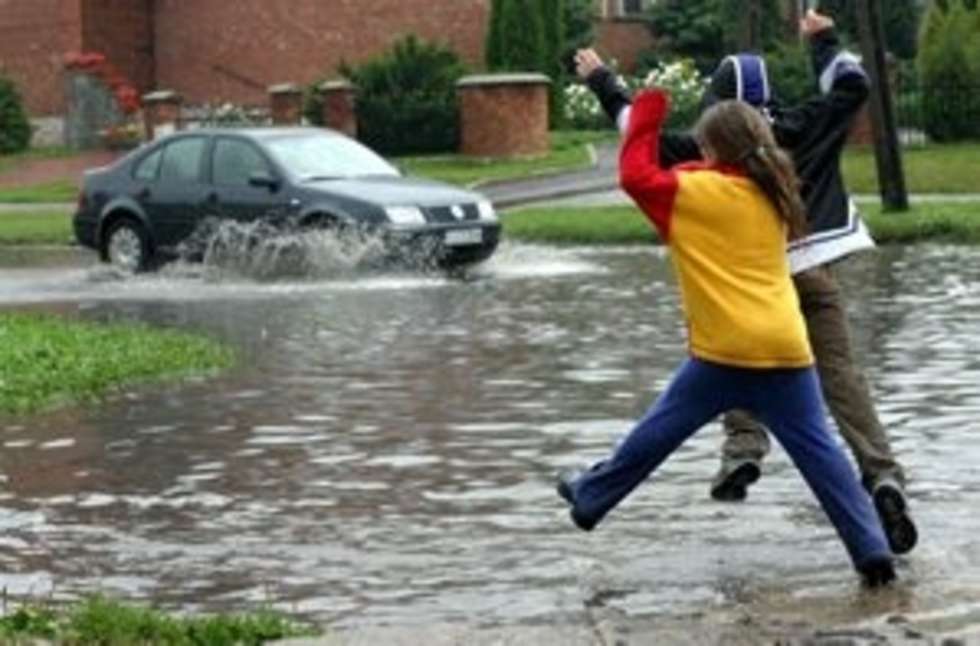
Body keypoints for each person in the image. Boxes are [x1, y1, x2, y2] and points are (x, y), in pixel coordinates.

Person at [574, 8, 917, 555]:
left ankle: (742, 451)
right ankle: (880, 473)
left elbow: (635, 138)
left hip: (749, 290)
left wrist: (602, 82)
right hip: (814, 273)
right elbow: (854, 85)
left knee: (730, 343)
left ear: (717, 109)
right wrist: (823, 42)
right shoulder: (803, 126)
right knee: (839, 376)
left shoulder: (707, 153)